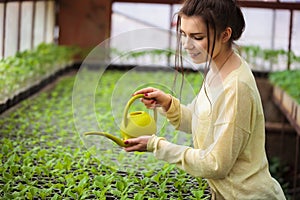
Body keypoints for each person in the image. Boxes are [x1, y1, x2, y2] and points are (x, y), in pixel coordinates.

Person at [124, 0, 286, 199]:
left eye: (197, 37)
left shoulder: (236, 87)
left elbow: (216, 164)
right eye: (183, 34)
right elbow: (200, 121)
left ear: (225, 35)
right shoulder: (218, 68)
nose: (186, 45)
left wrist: (156, 146)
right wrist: (167, 104)